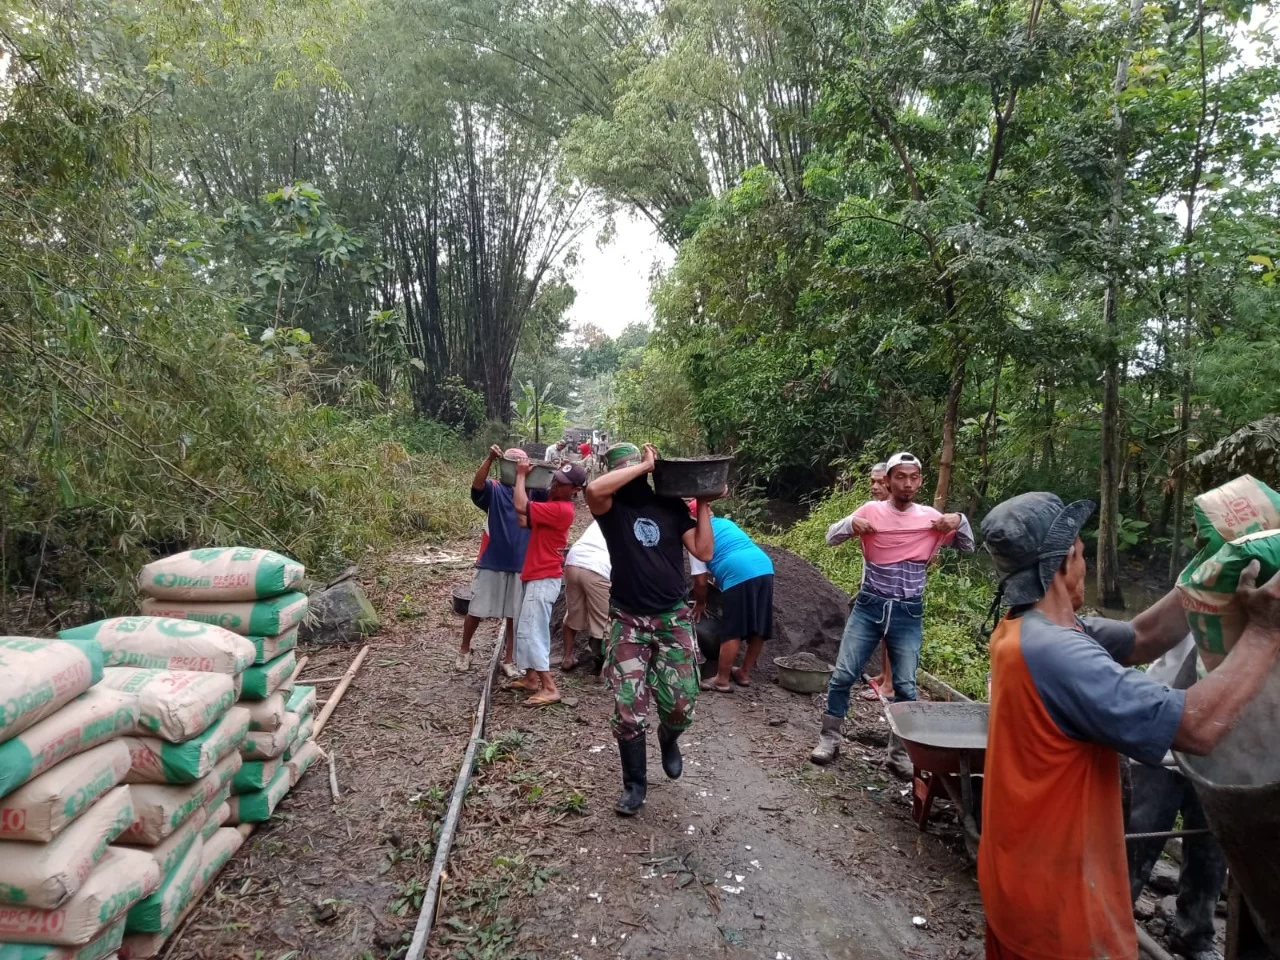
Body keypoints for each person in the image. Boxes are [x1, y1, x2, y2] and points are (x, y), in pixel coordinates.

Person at [977, 491, 1280, 960]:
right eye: (1081, 552)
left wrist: (1210, 568)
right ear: (1063, 563)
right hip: (1060, 905)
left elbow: (1143, 638)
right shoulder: (1059, 656)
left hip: (1019, 874)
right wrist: (1264, 631)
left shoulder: (1027, 632)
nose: (1086, 562)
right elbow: (1197, 728)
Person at [811, 451, 974, 766]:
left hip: (908, 611)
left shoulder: (930, 519)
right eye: (900, 476)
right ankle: (829, 739)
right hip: (869, 606)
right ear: (888, 480)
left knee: (905, 686)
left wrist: (959, 520)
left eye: (913, 477)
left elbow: (967, 545)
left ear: (921, 481)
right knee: (843, 674)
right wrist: (850, 523)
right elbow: (831, 537)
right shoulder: (872, 510)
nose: (907, 484)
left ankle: (898, 754)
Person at [585, 441, 716, 817]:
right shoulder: (611, 509)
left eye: (641, 468)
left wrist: (703, 502)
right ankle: (635, 784)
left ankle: (668, 736)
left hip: (672, 617)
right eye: (628, 469)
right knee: (628, 709)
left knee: (681, 703)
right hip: (628, 619)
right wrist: (643, 466)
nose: (638, 475)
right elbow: (594, 489)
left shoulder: (671, 507)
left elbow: (704, 551)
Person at [1126, 634, 1226, 960]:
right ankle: (1111, 921)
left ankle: (1194, 934)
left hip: (1224, 746)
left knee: (1210, 851)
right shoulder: (1206, 589)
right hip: (1162, 734)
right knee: (1137, 836)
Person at [456, 446, 539, 677]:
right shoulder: (494, 489)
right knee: (476, 609)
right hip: (492, 560)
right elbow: (476, 486)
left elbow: (553, 489)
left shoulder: (532, 492)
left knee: (514, 614)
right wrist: (490, 458)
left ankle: (509, 659)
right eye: (512, 464)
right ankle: (464, 650)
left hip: (521, 563)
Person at [509, 460, 587, 707]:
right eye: (555, 479)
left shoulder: (562, 509)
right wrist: (526, 484)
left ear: (574, 489)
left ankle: (549, 687)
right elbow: (523, 519)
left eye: (562, 483)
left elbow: (521, 506)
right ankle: (531, 678)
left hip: (544, 576)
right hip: (536, 574)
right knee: (526, 628)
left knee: (533, 631)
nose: (555, 484)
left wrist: (520, 475)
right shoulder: (552, 505)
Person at [690, 511, 775, 691]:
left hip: (738, 573)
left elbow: (700, 581)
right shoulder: (725, 524)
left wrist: (700, 603)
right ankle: (744, 672)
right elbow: (730, 548)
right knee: (759, 626)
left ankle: (722, 679)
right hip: (764, 567)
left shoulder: (695, 536)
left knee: (732, 629)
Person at [861, 462, 894, 699]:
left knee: (893, 631)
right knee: (884, 632)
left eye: (880, 481)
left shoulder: (899, 513)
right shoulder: (876, 510)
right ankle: (884, 674)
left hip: (894, 585)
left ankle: (890, 686)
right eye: (872, 481)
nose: (875, 486)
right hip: (875, 581)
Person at [561, 520, 611, 675]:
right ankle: (606, 671)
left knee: (573, 612)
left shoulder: (601, 516)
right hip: (598, 567)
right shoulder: (628, 520)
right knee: (606, 622)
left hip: (573, 561)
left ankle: (567, 658)